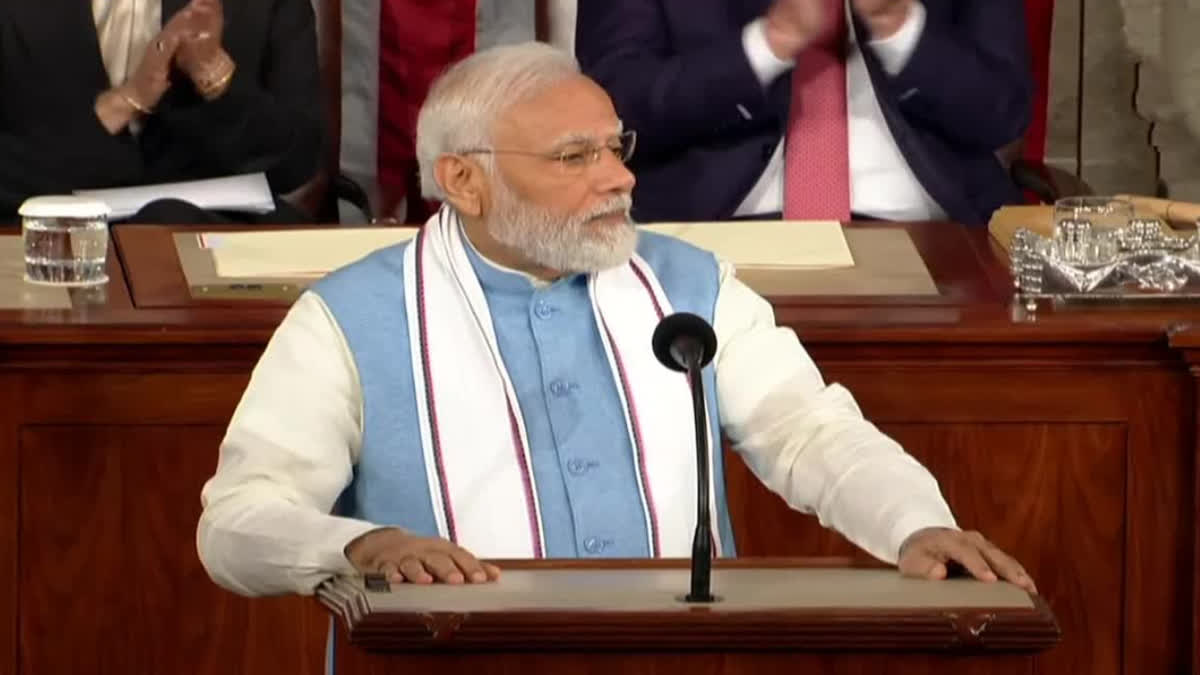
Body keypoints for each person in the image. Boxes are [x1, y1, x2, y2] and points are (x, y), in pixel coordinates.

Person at [196, 42, 1036, 596]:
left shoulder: (691, 288)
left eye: (615, 147)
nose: (618, 178)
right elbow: (235, 521)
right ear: (462, 179)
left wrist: (914, 523)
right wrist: (362, 546)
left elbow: (811, 433)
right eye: (574, 157)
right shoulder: (347, 319)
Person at [575, 0, 1032, 226]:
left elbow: (1003, 112)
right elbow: (617, 111)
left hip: (937, 236)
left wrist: (901, 28)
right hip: (718, 234)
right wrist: (769, 44)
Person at [0, 0, 322, 223]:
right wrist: (124, 103)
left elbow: (296, 159)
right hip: (43, 234)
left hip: (217, 235)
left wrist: (214, 75)